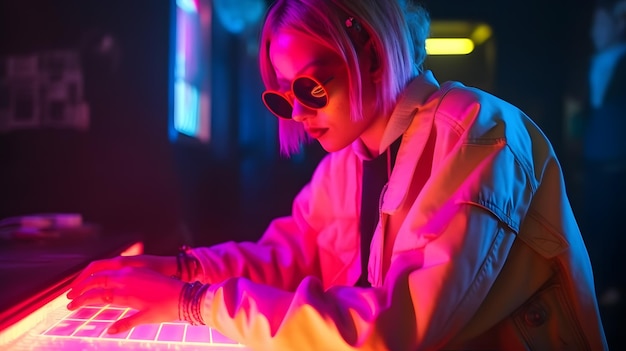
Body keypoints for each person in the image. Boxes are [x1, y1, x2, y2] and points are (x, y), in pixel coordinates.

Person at [66, 0, 608, 349]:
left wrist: (194, 304)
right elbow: (284, 256)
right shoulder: (348, 163)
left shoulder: (475, 133)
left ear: (372, 53)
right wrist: (180, 269)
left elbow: (394, 330)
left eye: (311, 87)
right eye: (284, 97)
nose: (298, 113)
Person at [581, 0, 626, 348]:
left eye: (602, 24)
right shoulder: (595, 64)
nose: (595, 32)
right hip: (594, 166)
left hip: (618, 169)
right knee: (595, 224)